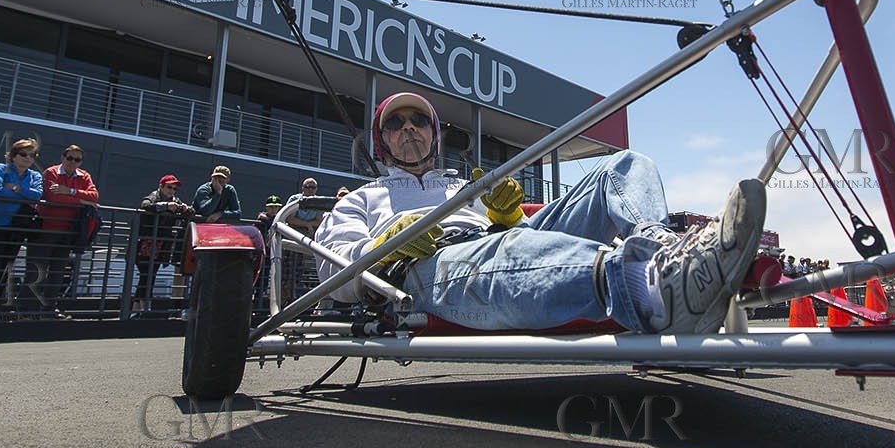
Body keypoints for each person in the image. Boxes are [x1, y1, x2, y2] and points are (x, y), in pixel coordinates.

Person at [316, 93, 766, 334]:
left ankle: (662, 251)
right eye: (395, 123)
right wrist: (384, 243)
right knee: (507, 248)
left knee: (623, 164)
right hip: (427, 269)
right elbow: (329, 273)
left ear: (435, 135)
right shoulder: (360, 198)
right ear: (383, 142)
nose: (408, 127)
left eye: (419, 121)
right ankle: (653, 292)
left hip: (500, 243)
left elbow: (511, 233)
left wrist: (505, 216)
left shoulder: (462, 188)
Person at [25, 144, 99, 318]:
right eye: (70, 158)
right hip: (45, 230)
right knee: (35, 271)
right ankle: (26, 310)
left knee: (57, 273)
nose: (72, 162)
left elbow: (94, 196)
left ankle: (49, 310)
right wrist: (82, 200)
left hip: (68, 232)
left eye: (77, 159)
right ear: (62, 158)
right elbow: (53, 197)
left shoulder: (84, 176)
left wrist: (70, 191)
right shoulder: (50, 173)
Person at [0, 139, 44, 314]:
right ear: (13, 156)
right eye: (23, 154)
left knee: (6, 265)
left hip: (16, 226)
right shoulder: (0, 168)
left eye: (32, 155)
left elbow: (37, 196)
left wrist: (15, 189)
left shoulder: (35, 176)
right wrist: (22, 194)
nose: (28, 158)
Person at [134, 175, 192, 315]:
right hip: (146, 242)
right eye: (169, 187)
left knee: (150, 275)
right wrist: (165, 206)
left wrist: (185, 209)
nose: (172, 190)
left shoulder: (175, 201)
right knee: (146, 275)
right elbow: (145, 205)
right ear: (161, 186)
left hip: (162, 244)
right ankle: (141, 307)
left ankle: (139, 307)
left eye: (174, 188)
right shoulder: (154, 196)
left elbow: (191, 211)